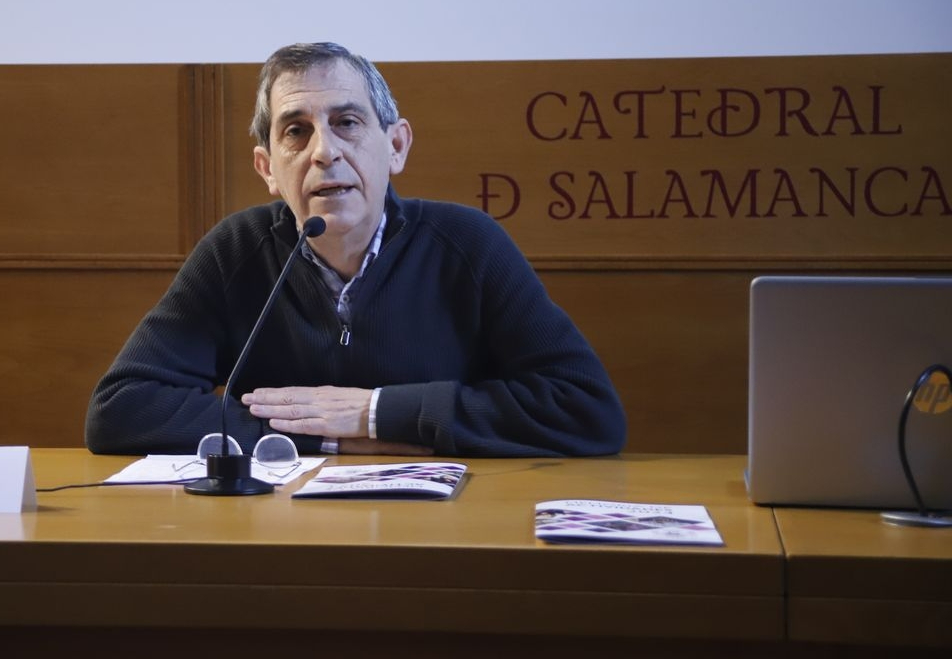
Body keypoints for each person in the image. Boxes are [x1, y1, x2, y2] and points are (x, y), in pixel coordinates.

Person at [86, 42, 625, 457]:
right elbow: (120, 410)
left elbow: (585, 409)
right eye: (296, 131)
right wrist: (323, 435)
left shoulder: (467, 244)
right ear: (267, 168)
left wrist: (376, 413)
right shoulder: (237, 250)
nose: (324, 152)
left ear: (395, 146)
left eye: (347, 123)